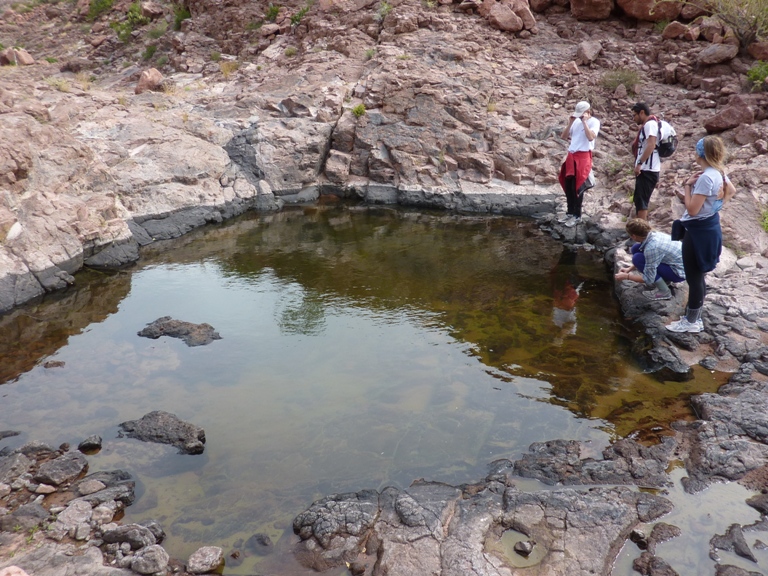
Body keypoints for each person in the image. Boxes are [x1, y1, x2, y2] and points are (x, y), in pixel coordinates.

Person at [666, 136, 734, 333]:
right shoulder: (719, 172)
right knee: (699, 275)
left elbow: (692, 210)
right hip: (710, 226)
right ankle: (693, 316)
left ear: (700, 153)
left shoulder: (705, 178)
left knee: (693, 277)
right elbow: (732, 190)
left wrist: (687, 186)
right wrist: (715, 207)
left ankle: (692, 322)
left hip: (698, 231)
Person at [615, 219, 685, 301]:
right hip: (679, 264)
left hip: (679, 273)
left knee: (637, 259)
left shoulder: (652, 247)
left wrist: (627, 277)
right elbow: (650, 259)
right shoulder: (653, 234)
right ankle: (663, 280)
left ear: (634, 236)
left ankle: (664, 291)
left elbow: (649, 279)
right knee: (636, 248)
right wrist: (629, 269)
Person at [558, 101, 600, 228]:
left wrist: (584, 122)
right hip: (572, 154)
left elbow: (591, 137)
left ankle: (577, 215)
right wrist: (571, 122)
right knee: (568, 184)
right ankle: (570, 212)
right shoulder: (575, 122)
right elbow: (564, 137)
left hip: (583, 155)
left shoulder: (594, 122)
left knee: (578, 186)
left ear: (588, 111)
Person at [631, 102, 661, 220]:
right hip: (646, 169)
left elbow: (651, 145)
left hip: (648, 169)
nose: (633, 118)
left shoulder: (649, 125)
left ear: (642, 112)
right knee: (639, 199)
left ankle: (641, 232)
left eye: (634, 115)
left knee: (642, 201)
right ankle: (639, 229)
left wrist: (639, 163)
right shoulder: (649, 125)